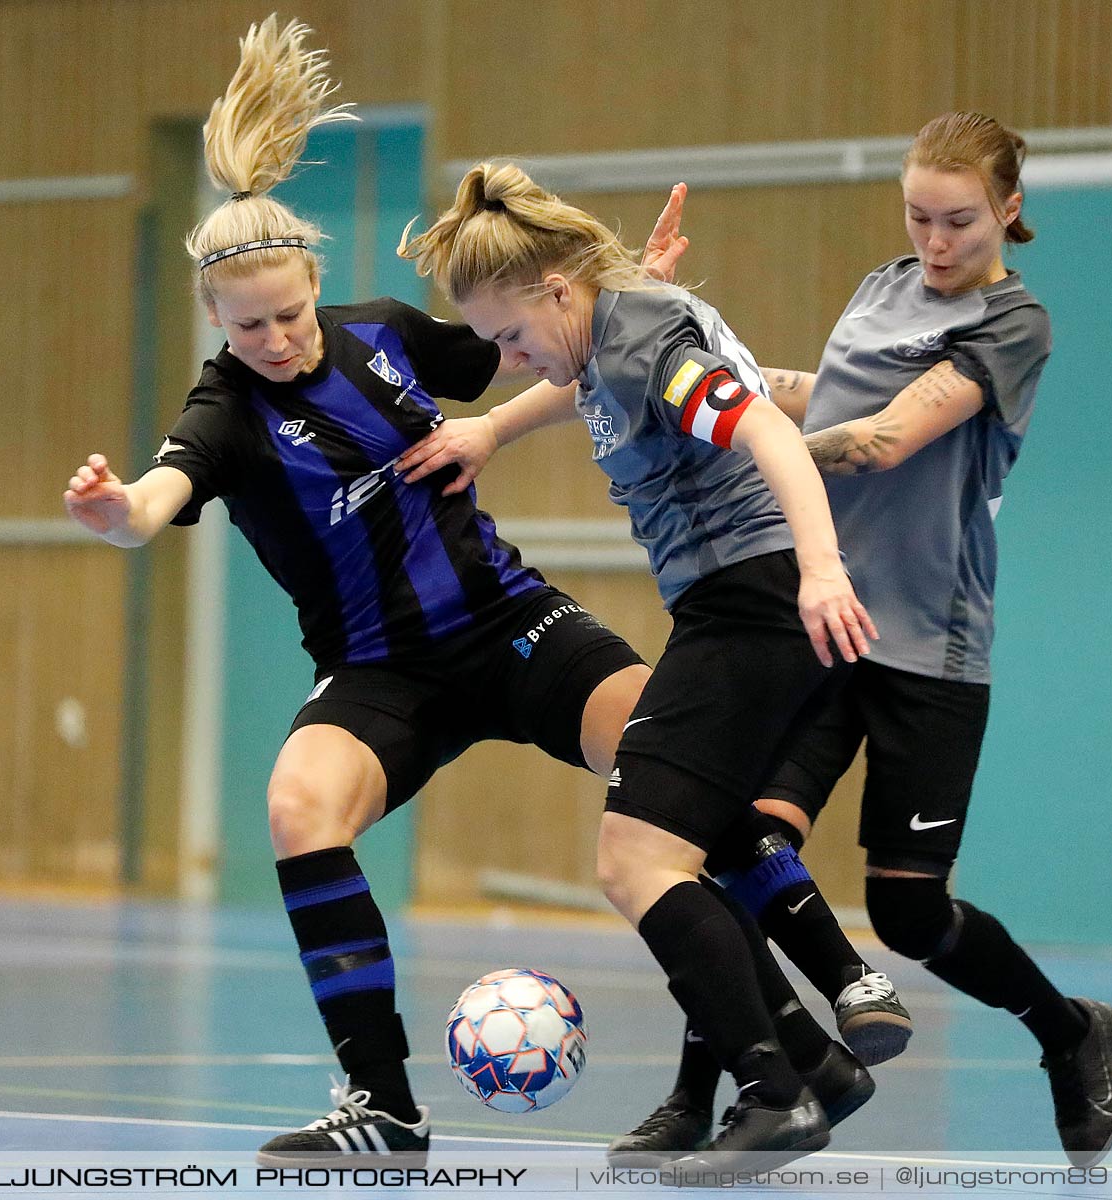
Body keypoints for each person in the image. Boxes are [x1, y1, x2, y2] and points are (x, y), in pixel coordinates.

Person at [62, 16, 868, 1168]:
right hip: (382, 669)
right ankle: (383, 1106)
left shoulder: (385, 337)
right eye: (250, 327)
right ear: (215, 322)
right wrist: (112, 512)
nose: (279, 340)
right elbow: (157, 496)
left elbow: (529, 349)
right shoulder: (226, 412)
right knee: (299, 809)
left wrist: (619, 298)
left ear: (316, 288)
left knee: (669, 777)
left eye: (291, 314)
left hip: (507, 623)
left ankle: (810, 1031)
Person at [624, 112, 1112, 1167]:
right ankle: (707, 1095)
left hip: (927, 648)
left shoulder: (1011, 322)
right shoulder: (880, 284)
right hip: (821, 624)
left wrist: (755, 445)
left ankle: (1068, 1032)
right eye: (917, 216)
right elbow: (820, 394)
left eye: (958, 221)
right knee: (731, 844)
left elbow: (888, 436)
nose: (934, 240)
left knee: (906, 910)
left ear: (1006, 212)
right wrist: (708, 366)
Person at [400, 161, 883, 1169]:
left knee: (635, 859)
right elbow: (580, 380)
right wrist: (490, 425)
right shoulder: (613, 333)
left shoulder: (643, 342)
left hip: (751, 602)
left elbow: (761, 430)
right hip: (730, 604)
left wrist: (820, 568)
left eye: (510, 335)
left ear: (560, 290)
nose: (509, 355)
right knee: (685, 847)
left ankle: (774, 1093)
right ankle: (810, 1068)